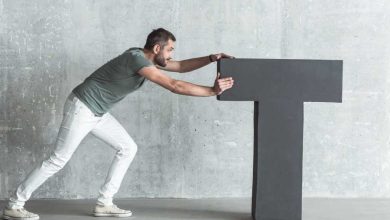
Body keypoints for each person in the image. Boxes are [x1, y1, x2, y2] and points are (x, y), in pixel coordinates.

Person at [2, 28, 234, 219]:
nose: (172, 55)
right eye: (170, 49)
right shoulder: (136, 59)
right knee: (58, 159)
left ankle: (104, 203)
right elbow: (175, 85)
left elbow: (181, 66)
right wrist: (212, 91)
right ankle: (14, 204)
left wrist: (211, 58)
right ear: (157, 48)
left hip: (97, 112)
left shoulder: (147, 60)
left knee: (128, 147)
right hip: (82, 106)